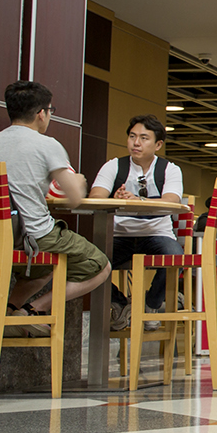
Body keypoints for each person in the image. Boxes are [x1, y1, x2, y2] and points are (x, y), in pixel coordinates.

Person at [0, 81, 110, 334]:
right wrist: (79, 181)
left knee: (44, 268)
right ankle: (32, 310)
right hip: (31, 236)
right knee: (100, 265)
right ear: (41, 114)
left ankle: (9, 312)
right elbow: (75, 198)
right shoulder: (47, 144)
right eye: (50, 110)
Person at [88, 116, 184, 332]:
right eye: (132, 137)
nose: (136, 143)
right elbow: (95, 197)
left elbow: (171, 201)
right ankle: (121, 304)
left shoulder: (169, 169)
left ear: (158, 144)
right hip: (119, 235)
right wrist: (115, 198)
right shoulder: (114, 166)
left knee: (176, 256)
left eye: (144, 138)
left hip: (157, 234)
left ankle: (151, 305)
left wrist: (138, 200)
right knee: (88, 262)